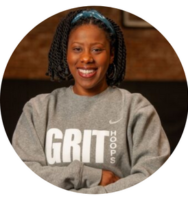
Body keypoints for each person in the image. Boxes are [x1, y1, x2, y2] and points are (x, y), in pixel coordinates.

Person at [12, 8, 170, 194]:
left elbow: (152, 175)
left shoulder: (136, 109)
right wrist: (88, 175)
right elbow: (21, 173)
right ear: (66, 53)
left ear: (111, 55)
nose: (86, 58)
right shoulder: (38, 110)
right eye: (77, 49)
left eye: (97, 49)